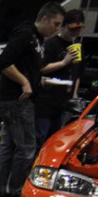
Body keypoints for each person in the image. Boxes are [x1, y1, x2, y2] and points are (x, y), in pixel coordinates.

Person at [0, 1, 66, 197]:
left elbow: (30, 66)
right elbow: (3, 62)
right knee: (26, 148)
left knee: (8, 145)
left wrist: (37, 80)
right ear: (44, 19)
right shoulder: (26, 34)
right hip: (16, 100)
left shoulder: (38, 39)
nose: (57, 29)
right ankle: (15, 190)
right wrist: (25, 82)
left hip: (16, 99)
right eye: (56, 24)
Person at [34, 8, 85, 144]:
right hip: (45, 102)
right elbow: (41, 69)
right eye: (72, 29)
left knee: (55, 140)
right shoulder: (51, 44)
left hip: (63, 103)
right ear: (63, 26)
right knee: (40, 138)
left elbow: (77, 73)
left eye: (78, 30)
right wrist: (63, 62)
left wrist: (74, 96)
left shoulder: (76, 46)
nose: (75, 33)